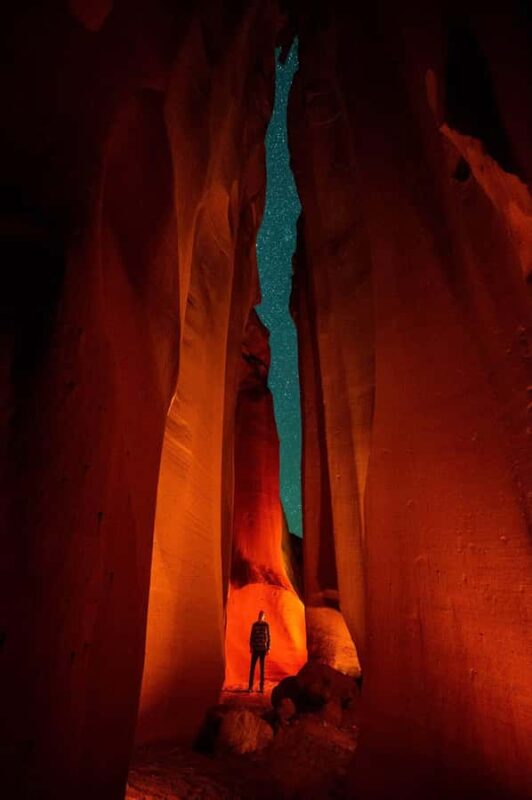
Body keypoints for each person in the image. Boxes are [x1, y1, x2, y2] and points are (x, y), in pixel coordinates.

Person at [248, 610, 270, 693]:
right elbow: (252, 636)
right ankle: (250, 687)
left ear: (264, 617)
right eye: (260, 615)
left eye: (262, 615)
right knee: (252, 668)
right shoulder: (254, 625)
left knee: (262, 669)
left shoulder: (266, 625)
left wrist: (268, 648)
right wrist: (251, 647)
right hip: (255, 649)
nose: (261, 616)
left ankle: (261, 687)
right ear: (258, 616)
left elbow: (268, 636)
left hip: (263, 649)